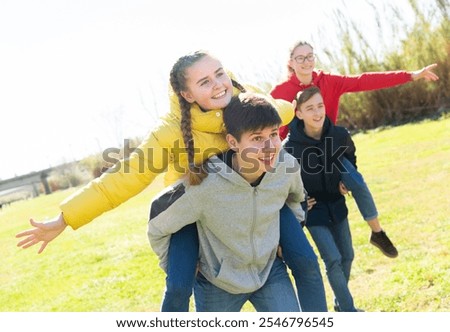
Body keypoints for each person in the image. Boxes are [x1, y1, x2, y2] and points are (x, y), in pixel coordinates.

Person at [16, 51, 326, 312]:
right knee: (179, 284)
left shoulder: (243, 98)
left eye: (219, 74)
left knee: (308, 263)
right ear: (187, 94)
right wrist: (66, 217)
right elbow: (125, 175)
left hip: (254, 193)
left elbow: (278, 111)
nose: (219, 85)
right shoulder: (171, 131)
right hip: (194, 206)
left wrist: (280, 108)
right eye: (205, 82)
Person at [271, 40, 438, 258]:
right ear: (291, 62)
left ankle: (377, 233)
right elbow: (273, 129)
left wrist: (411, 75)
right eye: (300, 57)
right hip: (302, 158)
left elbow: (364, 81)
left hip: (330, 151)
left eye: (310, 56)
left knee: (356, 181)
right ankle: (281, 249)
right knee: (298, 204)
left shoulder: (330, 81)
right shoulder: (280, 92)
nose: (306, 61)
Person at [149, 93, 303, 312]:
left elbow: (297, 198)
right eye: (257, 138)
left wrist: (283, 240)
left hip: (270, 272)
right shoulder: (204, 185)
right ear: (232, 142)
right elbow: (157, 221)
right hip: (217, 283)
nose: (270, 147)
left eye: (274, 134)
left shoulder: (285, 166)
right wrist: (173, 265)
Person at [284, 86, 361, 311]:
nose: (317, 113)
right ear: (298, 113)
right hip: (313, 211)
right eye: (310, 108)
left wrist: (346, 180)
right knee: (333, 259)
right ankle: (348, 310)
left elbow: (350, 157)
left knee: (347, 255)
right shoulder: (289, 148)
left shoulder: (339, 135)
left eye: (320, 106)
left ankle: (339, 303)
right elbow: (281, 182)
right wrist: (296, 201)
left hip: (337, 203)